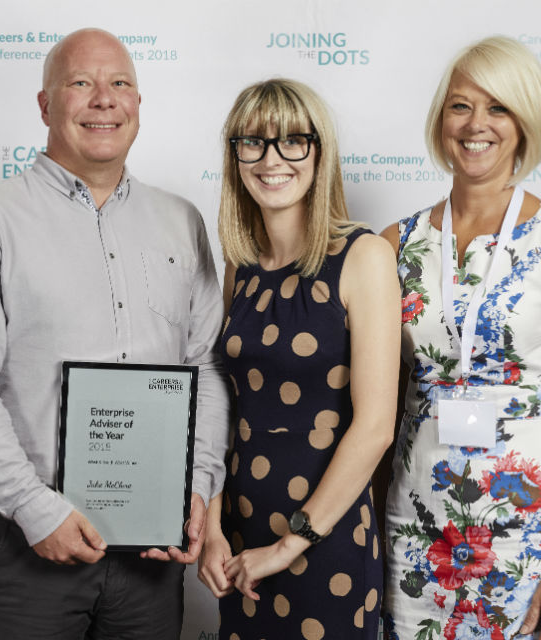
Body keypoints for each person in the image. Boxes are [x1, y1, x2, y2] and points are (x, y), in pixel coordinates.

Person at [0, 28, 229, 639]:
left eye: (120, 83)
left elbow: (205, 369)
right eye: (81, 83)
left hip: (150, 555)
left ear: (138, 104)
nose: (104, 99)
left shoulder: (181, 222)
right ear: (45, 105)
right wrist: (36, 510)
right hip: (23, 546)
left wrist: (193, 489)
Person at [380, 36, 541, 640]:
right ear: (440, 120)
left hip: (526, 546)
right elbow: (372, 407)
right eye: (460, 105)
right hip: (415, 538)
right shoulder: (393, 245)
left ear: (525, 121)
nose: (476, 124)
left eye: (498, 107)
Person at [197, 78, 400, 639]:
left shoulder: (365, 256)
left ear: (319, 151)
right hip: (240, 539)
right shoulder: (241, 268)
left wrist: (290, 545)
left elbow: (376, 427)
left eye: (293, 141)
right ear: (235, 156)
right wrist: (213, 531)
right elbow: (224, 411)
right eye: (253, 142)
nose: (271, 159)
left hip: (325, 538)